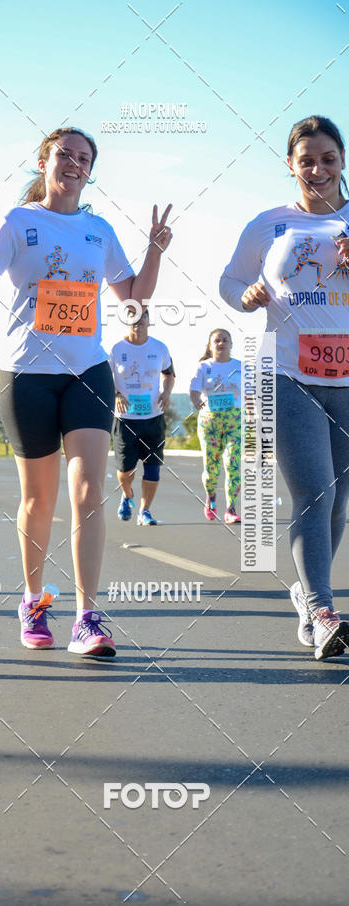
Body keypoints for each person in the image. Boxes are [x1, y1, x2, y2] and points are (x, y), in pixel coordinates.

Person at [0, 127, 172, 658]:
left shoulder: (98, 230)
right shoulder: (19, 221)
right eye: (64, 155)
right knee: (40, 498)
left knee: (87, 492)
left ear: (90, 169)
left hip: (88, 372)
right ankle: (33, 600)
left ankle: (87, 616)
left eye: (83, 158)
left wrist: (154, 251)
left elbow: (134, 298)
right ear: (43, 161)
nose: (73, 163)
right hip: (26, 376)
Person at [220, 114, 349, 660]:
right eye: (306, 161)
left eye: (327, 158)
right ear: (291, 166)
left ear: (341, 160)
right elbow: (230, 280)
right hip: (287, 373)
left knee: (340, 500)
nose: (317, 169)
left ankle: (306, 594)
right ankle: (323, 611)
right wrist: (245, 297)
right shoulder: (270, 223)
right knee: (314, 493)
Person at [109, 306, 174, 525]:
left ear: (148, 319)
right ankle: (127, 495)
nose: (138, 319)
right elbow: (105, 378)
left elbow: (169, 374)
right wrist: (116, 393)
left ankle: (145, 511)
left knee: (153, 468)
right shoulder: (117, 349)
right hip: (125, 419)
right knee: (125, 471)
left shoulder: (160, 348)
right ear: (127, 320)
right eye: (133, 315)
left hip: (153, 418)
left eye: (143, 315)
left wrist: (166, 392)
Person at [189, 329, 242, 524]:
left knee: (232, 465)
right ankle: (211, 498)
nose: (221, 343)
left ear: (231, 343)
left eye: (225, 340)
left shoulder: (241, 367)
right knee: (211, 468)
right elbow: (194, 390)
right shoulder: (203, 367)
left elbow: (252, 393)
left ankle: (231, 508)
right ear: (210, 345)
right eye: (217, 340)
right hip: (210, 421)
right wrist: (196, 401)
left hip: (234, 420)